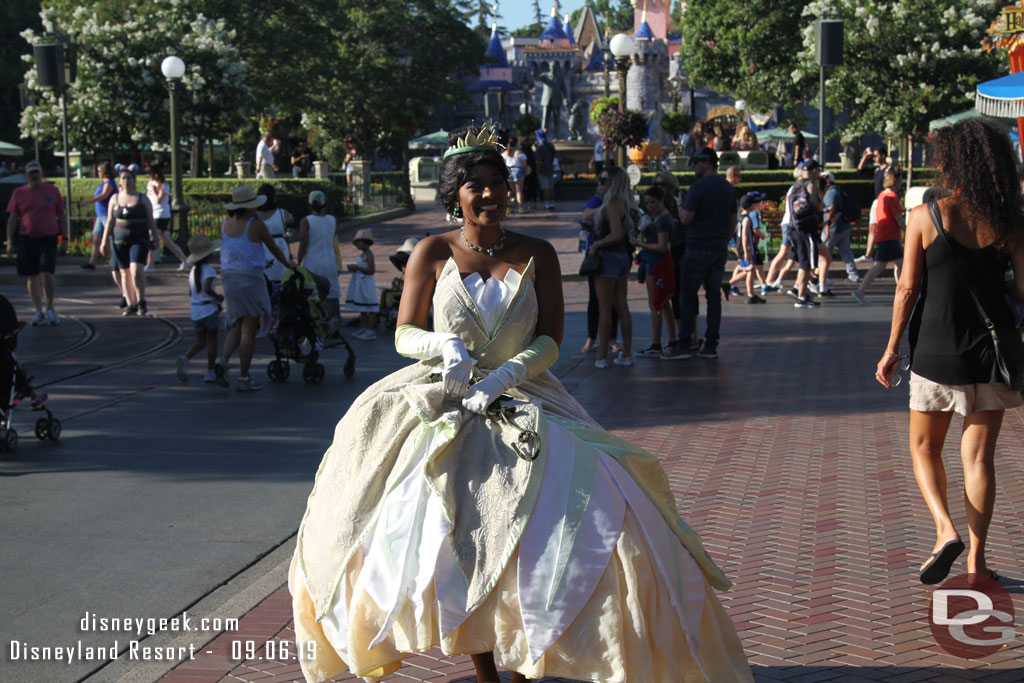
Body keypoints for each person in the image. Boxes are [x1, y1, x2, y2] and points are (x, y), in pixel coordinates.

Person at [288, 123, 753, 683]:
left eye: (497, 184)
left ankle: (544, 649)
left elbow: (551, 337)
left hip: (523, 395)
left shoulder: (536, 253)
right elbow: (403, 332)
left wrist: (510, 370)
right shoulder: (432, 252)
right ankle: (487, 668)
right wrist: (443, 345)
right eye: (474, 186)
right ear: (455, 194)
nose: (488, 195)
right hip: (444, 396)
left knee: (591, 514)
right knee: (441, 533)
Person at [875, 118, 1024, 584]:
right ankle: (978, 564)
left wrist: (891, 348)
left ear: (954, 164)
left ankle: (944, 530)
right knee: (979, 459)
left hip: (937, 352)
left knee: (924, 447)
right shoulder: (1011, 222)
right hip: (993, 353)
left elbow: (906, 290)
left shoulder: (927, 216)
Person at [216, 186, 295, 391]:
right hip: (250, 279)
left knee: (237, 323)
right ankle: (244, 377)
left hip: (229, 279)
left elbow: (237, 253)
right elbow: (274, 248)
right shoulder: (255, 225)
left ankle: (222, 360)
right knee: (248, 328)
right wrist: (289, 265)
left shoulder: (226, 224)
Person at [664, 148, 736, 360]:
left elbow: (686, 219)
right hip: (718, 248)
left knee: (688, 295)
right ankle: (711, 344)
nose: (693, 167)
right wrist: (722, 237)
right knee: (713, 296)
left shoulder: (697, 188)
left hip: (697, 247)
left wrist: (679, 205)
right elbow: (733, 221)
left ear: (706, 163)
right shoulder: (728, 188)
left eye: (695, 163)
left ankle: (685, 343)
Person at [5, 160, 67, 326]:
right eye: (31, 174)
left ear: (41, 175)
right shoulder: (19, 193)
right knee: (32, 275)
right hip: (27, 238)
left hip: (48, 237)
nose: (34, 176)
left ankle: (51, 307)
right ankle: (38, 310)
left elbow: (61, 215)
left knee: (47, 272)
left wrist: (65, 239)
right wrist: (10, 241)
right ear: (26, 176)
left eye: (36, 173)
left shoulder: (52, 191)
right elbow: (12, 218)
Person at [588, 165, 634, 367]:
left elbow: (615, 233)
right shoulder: (624, 203)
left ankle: (602, 355)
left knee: (605, 308)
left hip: (609, 257)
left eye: (605, 181)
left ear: (614, 183)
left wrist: (597, 244)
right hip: (621, 256)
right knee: (621, 305)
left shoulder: (612, 204)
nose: (601, 184)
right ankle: (626, 353)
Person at [100, 166, 159, 317]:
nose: (126, 181)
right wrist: (104, 241)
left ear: (134, 180)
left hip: (139, 238)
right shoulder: (114, 199)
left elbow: (151, 220)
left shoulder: (142, 198)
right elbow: (109, 221)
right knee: (124, 273)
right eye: (123, 178)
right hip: (119, 241)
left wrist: (155, 237)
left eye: (129, 178)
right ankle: (130, 303)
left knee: (136, 270)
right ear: (120, 181)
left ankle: (141, 301)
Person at [633, 186, 677, 356]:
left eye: (653, 202)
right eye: (647, 203)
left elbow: (661, 246)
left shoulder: (662, 220)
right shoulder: (661, 218)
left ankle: (657, 342)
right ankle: (670, 339)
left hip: (657, 263)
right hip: (656, 262)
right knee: (662, 303)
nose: (650, 206)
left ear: (661, 200)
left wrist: (640, 245)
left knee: (656, 303)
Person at [177, 234, 224, 384]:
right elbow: (207, 289)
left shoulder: (193, 272)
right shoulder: (209, 270)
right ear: (208, 255)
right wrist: (218, 297)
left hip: (195, 311)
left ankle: (186, 358)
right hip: (209, 309)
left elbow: (191, 292)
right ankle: (210, 371)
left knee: (200, 342)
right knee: (212, 341)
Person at [852, 170, 905, 305]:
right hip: (890, 235)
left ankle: (902, 291)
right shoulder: (892, 196)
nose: (901, 182)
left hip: (884, 234)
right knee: (881, 266)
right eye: (900, 180)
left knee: (898, 264)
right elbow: (897, 217)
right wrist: (908, 229)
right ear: (895, 181)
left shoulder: (882, 195)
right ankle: (860, 290)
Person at [787, 160, 829, 308]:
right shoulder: (810, 185)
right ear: (814, 171)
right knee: (807, 264)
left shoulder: (795, 186)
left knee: (804, 263)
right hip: (807, 229)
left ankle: (800, 292)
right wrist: (823, 208)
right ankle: (802, 297)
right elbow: (813, 202)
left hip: (795, 228)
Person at [297, 190, 341, 328]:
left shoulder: (306, 221)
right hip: (330, 260)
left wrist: (298, 262)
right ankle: (327, 323)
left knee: (312, 295)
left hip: (313, 261)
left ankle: (314, 323)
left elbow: (303, 243)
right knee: (329, 294)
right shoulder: (333, 220)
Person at [145, 166, 188, 272]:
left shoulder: (165, 185)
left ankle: (150, 265)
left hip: (161, 215)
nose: (148, 176)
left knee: (152, 239)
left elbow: (158, 200)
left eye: (149, 174)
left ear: (155, 174)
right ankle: (186, 261)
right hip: (153, 214)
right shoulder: (150, 184)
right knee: (168, 242)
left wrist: (154, 191)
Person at [821, 171, 860, 283]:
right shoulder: (839, 190)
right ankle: (853, 275)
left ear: (827, 180)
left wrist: (827, 227)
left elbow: (831, 209)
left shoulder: (830, 193)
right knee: (846, 252)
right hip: (844, 226)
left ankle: (821, 278)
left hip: (834, 228)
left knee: (824, 254)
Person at [728, 192, 768, 303]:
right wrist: (746, 251)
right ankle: (728, 284)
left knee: (750, 271)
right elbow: (745, 236)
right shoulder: (747, 219)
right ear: (751, 205)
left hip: (744, 247)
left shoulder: (742, 217)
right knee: (749, 270)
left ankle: (751, 295)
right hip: (746, 247)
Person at [256, 184, 294, 290]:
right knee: (281, 276)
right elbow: (291, 220)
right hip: (279, 245)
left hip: (261, 247)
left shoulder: (255, 215)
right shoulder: (281, 213)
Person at [79, 162, 116, 270]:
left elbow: (103, 196)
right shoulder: (104, 183)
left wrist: (87, 202)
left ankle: (114, 259)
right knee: (96, 238)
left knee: (110, 238)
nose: (97, 172)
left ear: (105, 172)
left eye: (99, 170)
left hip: (106, 214)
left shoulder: (109, 183)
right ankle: (92, 262)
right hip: (100, 215)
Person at [345, 228, 379, 340]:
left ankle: (371, 330)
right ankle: (364, 327)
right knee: (362, 307)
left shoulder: (369, 255)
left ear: (365, 242)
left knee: (370, 307)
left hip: (367, 284)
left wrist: (358, 268)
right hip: (361, 283)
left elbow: (371, 270)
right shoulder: (363, 255)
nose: (357, 245)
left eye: (359, 242)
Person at [534, 129, 558, 212]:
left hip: (543, 169)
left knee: (546, 188)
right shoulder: (550, 145)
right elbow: (554, 156)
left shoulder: (539, 148)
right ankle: (552, 202)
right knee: (551, 187)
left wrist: (537, 171)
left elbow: (538, 161)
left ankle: (547, 203)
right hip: (550, 168)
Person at [501, 135, 527, 214]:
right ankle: (520, 207)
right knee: (519, 191)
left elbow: (502, 164)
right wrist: (525, 172)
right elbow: (524, 164)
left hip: (509, 171)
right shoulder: (519, 152)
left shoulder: (504, 153)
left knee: (510, 191)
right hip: (518, 170)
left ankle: (509, 207)